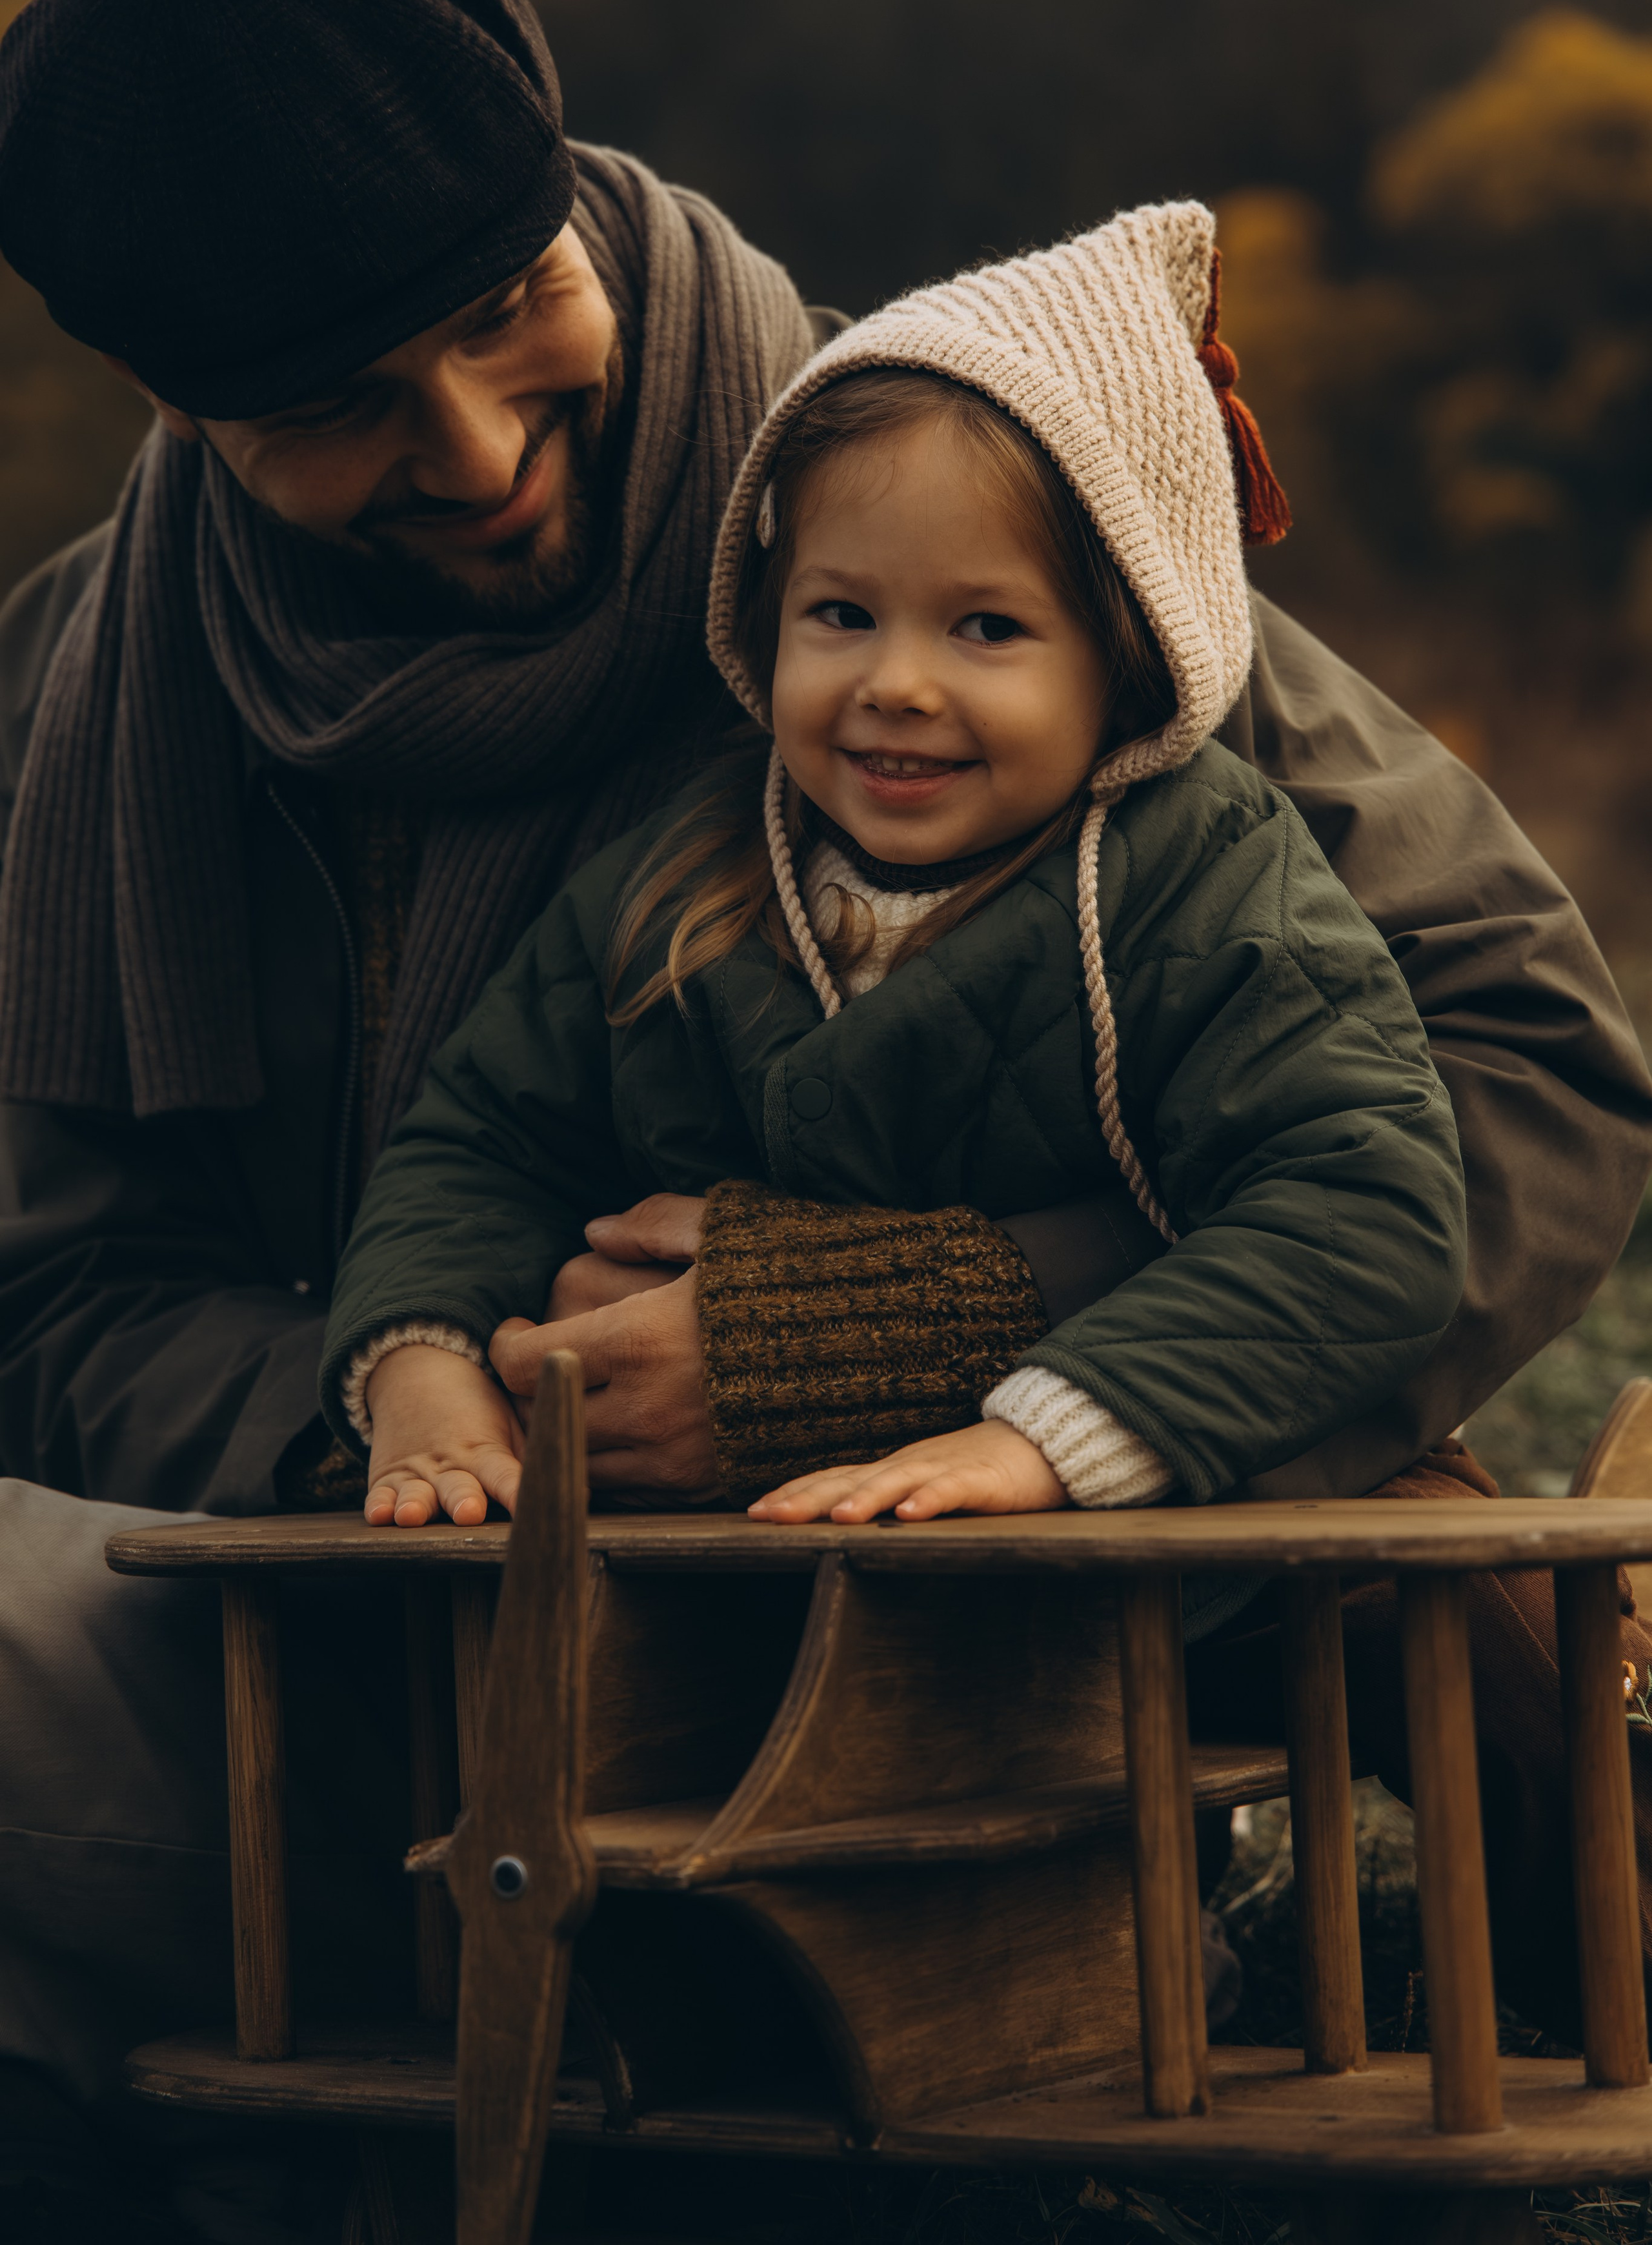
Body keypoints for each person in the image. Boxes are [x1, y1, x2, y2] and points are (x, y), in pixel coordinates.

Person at [0, 0, 1644, 2230]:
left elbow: (1523, 1061)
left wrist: (915, 1328)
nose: (472, 451)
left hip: (973, 1608)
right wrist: (438, 1413)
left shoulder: (941, 501)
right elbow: (59, 1288)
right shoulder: (79, 706)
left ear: (570, 192)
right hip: (380, 1618)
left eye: (504, 306)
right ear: (178, 409)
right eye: (345, 407)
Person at [321, 202, 1466, 1580]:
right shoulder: (688, 870)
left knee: (1447, 1598)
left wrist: (1053, 1435)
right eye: (841, 615)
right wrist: (421, 1360)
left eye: (986, 628)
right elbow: (481, 1140)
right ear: (766, 615)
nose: (897, 683)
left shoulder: (1196, 882)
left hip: (1110, 1568)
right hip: (732, 1575)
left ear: (1123, 652)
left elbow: (1363, 1210)